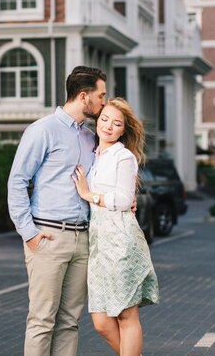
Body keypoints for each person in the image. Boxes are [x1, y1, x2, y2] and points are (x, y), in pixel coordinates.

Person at [7, 66, 107, 356]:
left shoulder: (90, 138)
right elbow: (17, 181)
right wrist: (29, 234)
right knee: (42, 319)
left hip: (82, 240)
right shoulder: (42, 130)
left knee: (70, 321)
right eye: (101, 95)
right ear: (84, 96)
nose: (104, 101)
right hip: (48, 237)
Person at [73, 97, 159, 356]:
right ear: (97, 120)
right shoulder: (94, 154)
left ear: (124, 130)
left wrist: (89, 195)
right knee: (100, 321)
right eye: (105, 119)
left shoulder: (124, 157)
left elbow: (123, 200)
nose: (108, 126)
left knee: (125, 314)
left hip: (120, 239)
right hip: (98, 243)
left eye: (116, 123)